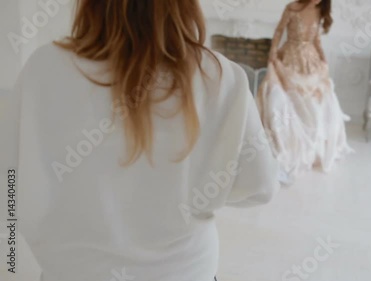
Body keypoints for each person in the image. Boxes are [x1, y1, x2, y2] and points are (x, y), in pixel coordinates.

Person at [14, 1, 279, 281]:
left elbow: (10, 179)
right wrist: (201, 185)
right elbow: (260, 185)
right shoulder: (219, 76)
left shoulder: (43, 68)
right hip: (184, 271)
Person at [257, 0, 353, 184]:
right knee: (291, 98)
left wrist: (323, 59)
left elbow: (316, 39)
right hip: (291, 56)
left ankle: (313, 148)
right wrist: (272, 53)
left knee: (317, 99)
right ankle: (291, 145)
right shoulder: (292, 7)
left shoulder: (319, 10)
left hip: (311, 59)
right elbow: (278, 32)